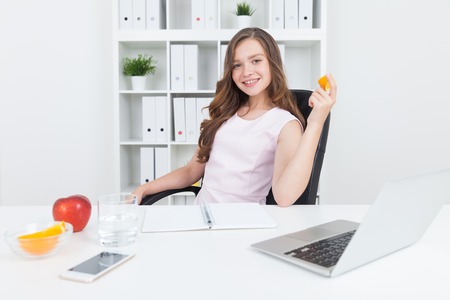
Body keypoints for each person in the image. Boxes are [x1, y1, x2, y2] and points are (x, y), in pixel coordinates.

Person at [133, 27, 336, 207]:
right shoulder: (225, 113)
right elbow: (190, 172)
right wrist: (144, 188)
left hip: (240, 225)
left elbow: (284, 197)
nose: (246, 71)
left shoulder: (285, 124)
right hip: (200, 217)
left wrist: (316, 122)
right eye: (237, 65)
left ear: (272, 64)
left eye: (256, 60)